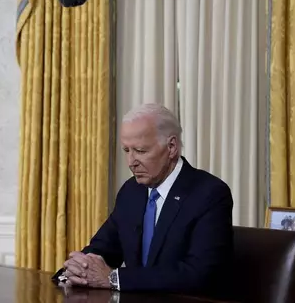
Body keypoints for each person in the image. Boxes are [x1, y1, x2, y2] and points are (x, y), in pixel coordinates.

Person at [53, 103, 233, 294]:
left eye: (140, 151)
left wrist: (114, 278)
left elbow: (199, 274)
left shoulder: (209, 193)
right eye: (126, 151)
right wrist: (74, 271)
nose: (131, 162)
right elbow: (102, 248)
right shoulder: (131, 191)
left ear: (171, 147)